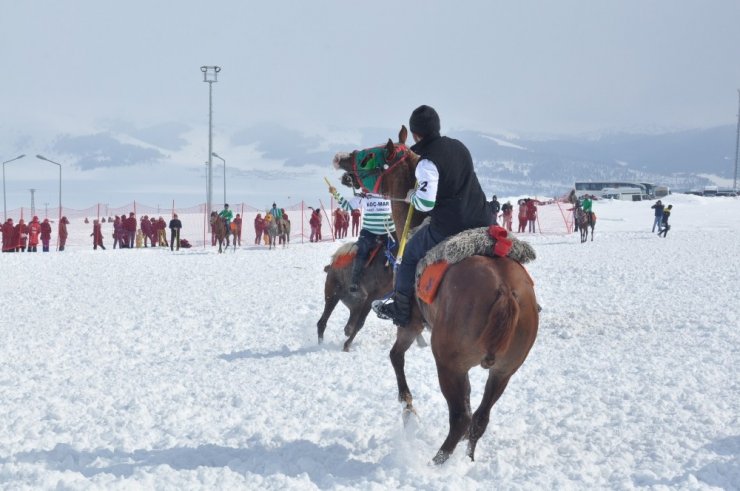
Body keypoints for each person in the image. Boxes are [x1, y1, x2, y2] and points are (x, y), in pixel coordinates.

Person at [374, 105, 492, 327]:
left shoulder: (426, 161)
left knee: (408, 255)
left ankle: (400, 310)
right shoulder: (460, 147)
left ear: (416, 134)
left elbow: (426, 202)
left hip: (450, 225)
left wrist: (412, 197)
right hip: (483, 218)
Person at [329, 180, 397, 294]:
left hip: (388, 232)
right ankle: (355, 280)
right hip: (369, 232)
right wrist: (335, 193)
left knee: (399, 252)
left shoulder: (389, 194)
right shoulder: (363, 197)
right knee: (362, 252)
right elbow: (347, 206)